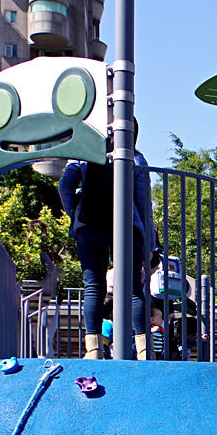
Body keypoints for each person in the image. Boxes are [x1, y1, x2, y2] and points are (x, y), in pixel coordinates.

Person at [57, 122, 157, 360]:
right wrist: (149, 242)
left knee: (93, 287)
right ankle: (144, 350)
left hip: (88, 224)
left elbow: (65, 186)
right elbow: (144, 202)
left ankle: (93, 349)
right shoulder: (136, 158)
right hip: (125, 223)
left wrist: (75, 213)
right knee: (133, 289)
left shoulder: (81, 155)